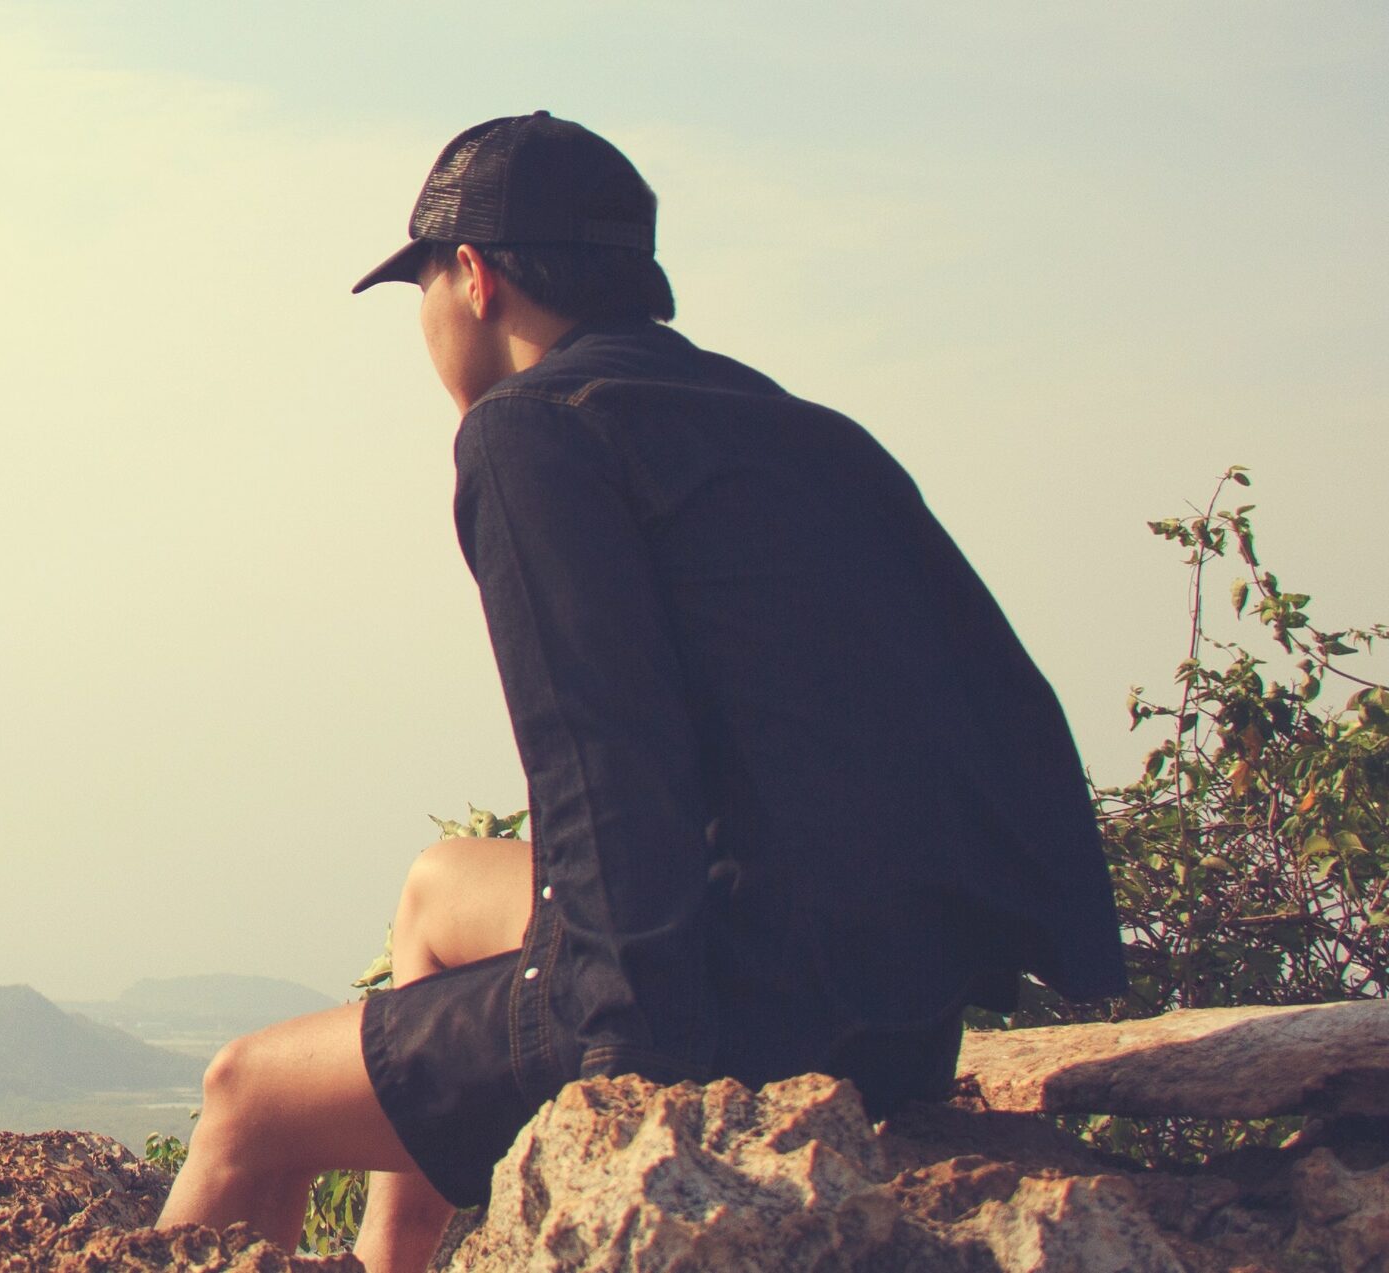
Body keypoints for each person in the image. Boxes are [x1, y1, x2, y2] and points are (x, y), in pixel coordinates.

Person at [153, 112, 1128, 1273]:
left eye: (418, 283)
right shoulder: (807, 433)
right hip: (887, 1001)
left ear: (472, 276)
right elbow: (1003, 713)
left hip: (714, 1002)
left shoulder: (527, 435)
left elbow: (602, 761)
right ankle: (394, 1263)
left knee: (245, 1098)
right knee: (436, 886)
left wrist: (624, 1081)